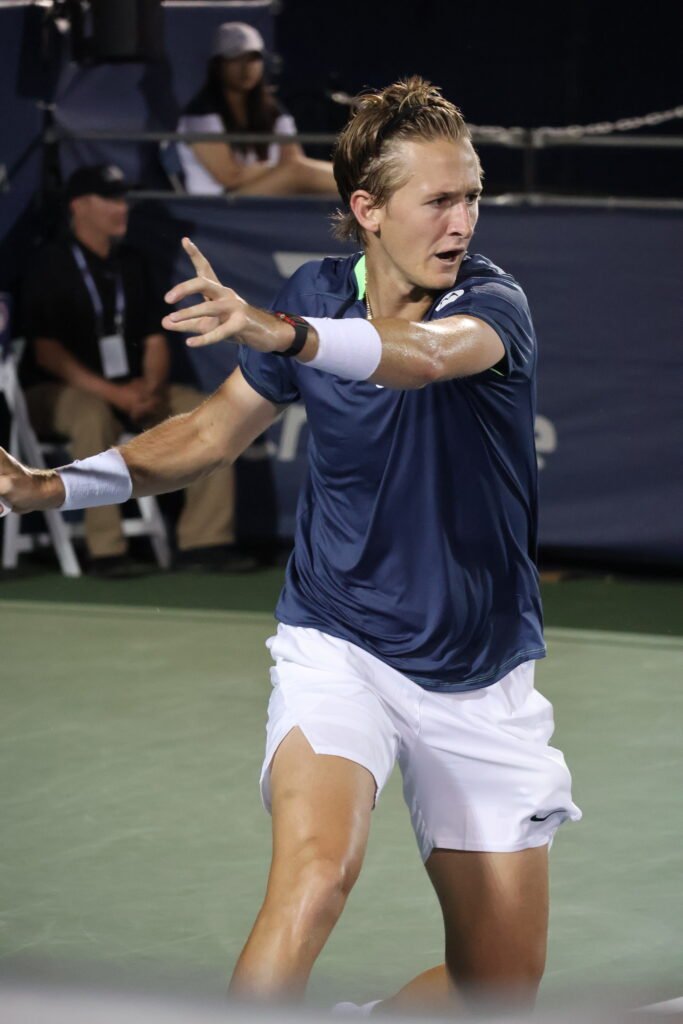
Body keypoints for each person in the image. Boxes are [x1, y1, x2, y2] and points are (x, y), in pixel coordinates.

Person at [1, 78, 581, 1011]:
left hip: (478, 673)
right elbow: (204, 436)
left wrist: (286, 335)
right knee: (317, 874)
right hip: (337, 643)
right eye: (437, 199)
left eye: (470, 195)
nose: (461, 220)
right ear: (367, 209)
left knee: (498, 987)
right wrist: (54, 485)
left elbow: (419, 358)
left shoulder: (491, 305)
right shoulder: (314, 292)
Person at [20, 163, 253, 575]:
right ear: (79, 206)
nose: (121, 207)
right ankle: (106, 549)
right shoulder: (49, 263)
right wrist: (118, 396)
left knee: (209, 409)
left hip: (132, 389)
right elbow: (48, 354)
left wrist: (148, 389)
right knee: (92, 417)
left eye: (122, 198)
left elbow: (154, 339)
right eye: (110, 198)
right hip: (55, 394)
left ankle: (205, 541)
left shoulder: (133, 262)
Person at [177, 21, 337, 196]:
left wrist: (279, 170)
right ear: (218, 65)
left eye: (253, 58)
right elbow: (230, 177)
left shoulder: (273, 110)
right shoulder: (201, 113)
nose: (246, 68)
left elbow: (292, 160)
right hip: (221, 202)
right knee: (299, 172)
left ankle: (364, 190)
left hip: (266, 195)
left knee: (308, 174)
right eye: (235, 58)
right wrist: (278, 169)